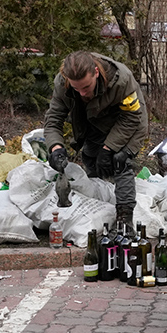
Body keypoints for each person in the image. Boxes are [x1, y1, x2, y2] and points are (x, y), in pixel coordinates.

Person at [43, 51, 148, 224]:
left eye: (86, 87)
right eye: (76, 89)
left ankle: (125, 218)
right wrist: (55, 148)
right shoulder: (62, 83)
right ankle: (98, 211)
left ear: (96, 73)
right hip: (93, 121)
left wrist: (109, 149)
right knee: (92, 161)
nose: (82, 93)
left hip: (128, 122)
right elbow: (53, 119)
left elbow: (132, 118)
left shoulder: (121, 80)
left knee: (119, 161)